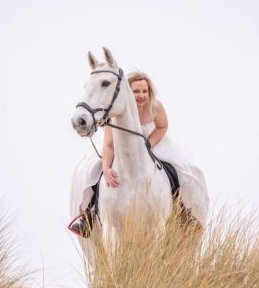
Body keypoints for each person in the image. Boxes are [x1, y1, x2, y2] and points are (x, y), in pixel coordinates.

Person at [68, 71, 209, 237]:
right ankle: (90, 214)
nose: (141, 95)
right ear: (128, 92)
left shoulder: (155, 106)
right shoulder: (117, 111)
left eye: (144, 91)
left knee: (176, 168)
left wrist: (148, 143)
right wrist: (106, 168)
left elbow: (162, 126)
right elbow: (109, 144)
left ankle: (183, 212)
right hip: (122, 145)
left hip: (150, 140)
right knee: (93, 172)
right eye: (136, 91)